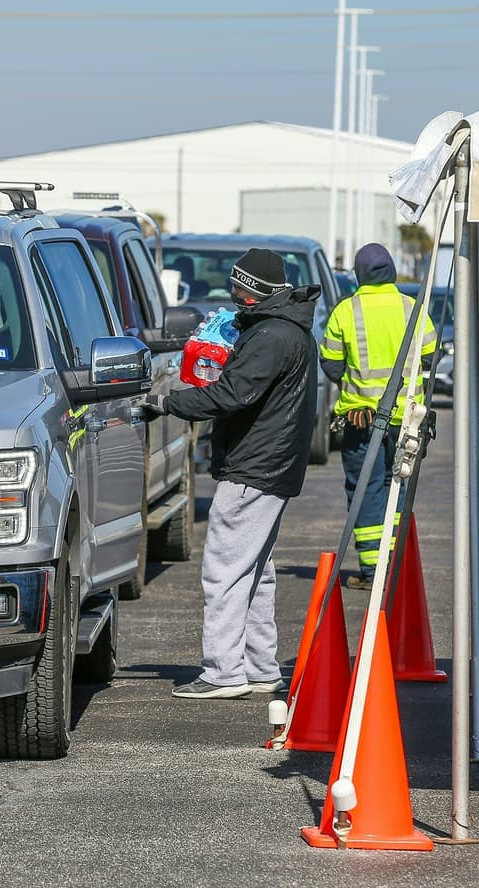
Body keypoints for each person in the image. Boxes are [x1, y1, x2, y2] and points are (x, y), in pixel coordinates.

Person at [142, 248, 319, 699]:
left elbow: (231, 395)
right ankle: (260, 668)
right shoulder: (284, 330)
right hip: (272, 467)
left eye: (241, 286)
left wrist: (166, 403)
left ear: (258, 289)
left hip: (253, 467)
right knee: (256, 572)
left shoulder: (271, 337)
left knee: (224, 572)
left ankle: (222, 672)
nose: (234, 293)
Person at [319, 243, 436, 590]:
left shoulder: (345, 311)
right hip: (407, 422)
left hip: (361, 419)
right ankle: (395, 566)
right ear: (391, 272)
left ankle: (373, 570)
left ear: (358, 274)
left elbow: (331, 364)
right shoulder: (412, 308)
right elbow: (431, 354)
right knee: (397, 488)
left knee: (365, 490)